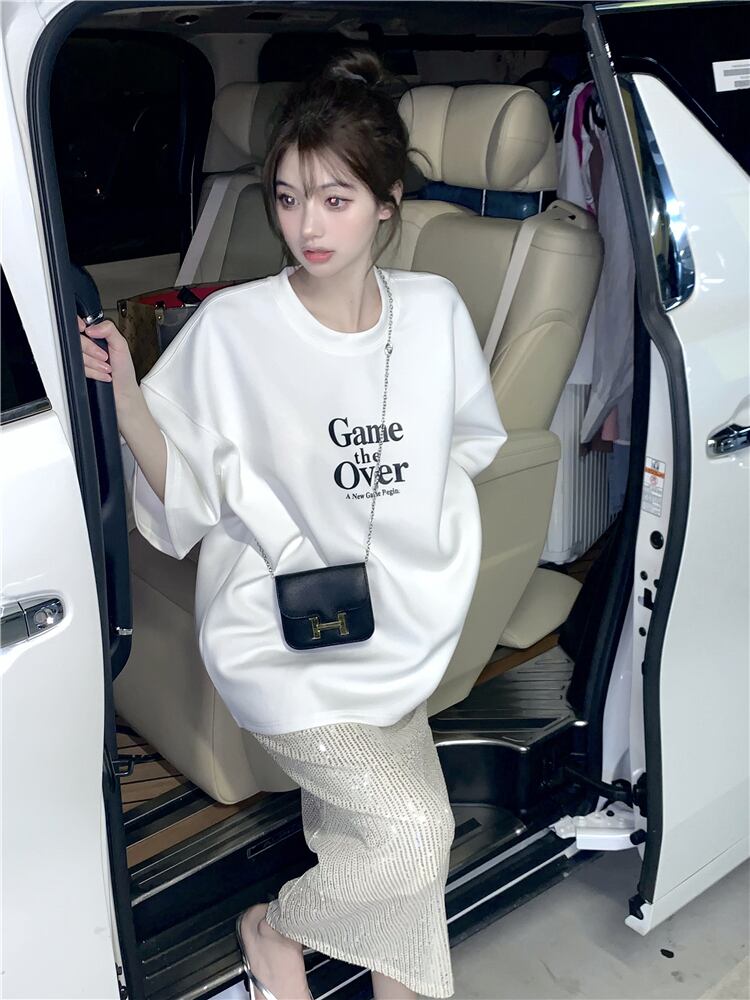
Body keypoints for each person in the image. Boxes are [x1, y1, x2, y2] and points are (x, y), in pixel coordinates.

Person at [79, 49, 507, 1000]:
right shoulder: (235, 329)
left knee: (393, 854)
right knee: (413, 832)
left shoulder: (434, 313)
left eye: (335, 199)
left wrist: (403, 530)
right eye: (286, 198)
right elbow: (183, 497)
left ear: (388, 203)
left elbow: (468, 445)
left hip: (397, 618)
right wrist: (130, 404)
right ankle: (274, 930)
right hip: (281, 633)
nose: (306, 226)